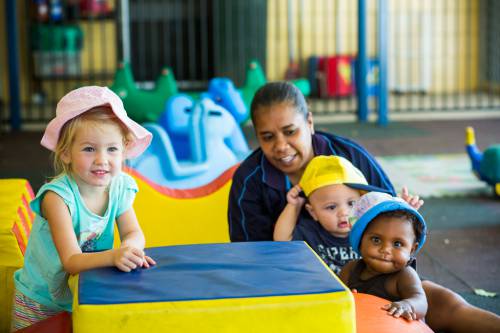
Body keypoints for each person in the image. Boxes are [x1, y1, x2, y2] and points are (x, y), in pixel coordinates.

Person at [228, 81, 500, 333]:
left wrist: (403, 211)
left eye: (290, 131)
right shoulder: (251, 181)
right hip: (307, 291)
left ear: (309, 121)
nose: (280, 146)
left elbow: (391, 223)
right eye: (267, 137)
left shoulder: (349, 156)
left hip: (377, 278)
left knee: (445, 303)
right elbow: (256, 255)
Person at [11, 86, 156, 330]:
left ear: (123, 150)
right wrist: (113, 256)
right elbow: (71, 261)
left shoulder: (119, 186)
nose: (102, 159)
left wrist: (130, 249)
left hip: (86, 292)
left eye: (112, 149)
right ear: (66, 153)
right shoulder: (57, 198)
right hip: (40, 301)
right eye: (89, 149)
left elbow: (133, 232)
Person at [274, 155, 390, 274]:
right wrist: (294, 205)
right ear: (313, 212)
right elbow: (282, 241)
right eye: (331, 207)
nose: (344, 213)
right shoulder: (311, 233)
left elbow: (395, 234)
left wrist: (407, 215)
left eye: (351, 203)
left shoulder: (369, 229)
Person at [339, 192, 428, 321]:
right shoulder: (351, 269)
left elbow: (421, 302)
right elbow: (337, 296)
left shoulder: (404, 276)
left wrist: (407, 305)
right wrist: (346, 297)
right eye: (376, 240)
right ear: (361, 241)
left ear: (411, 249)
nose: (385, 250)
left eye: (397, 244)